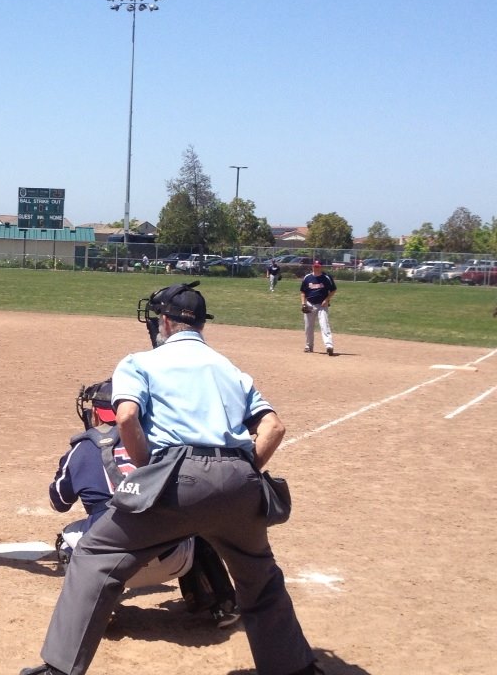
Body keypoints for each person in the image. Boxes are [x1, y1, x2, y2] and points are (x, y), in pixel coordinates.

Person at [20, 282, 320, 675]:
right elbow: (274, 428)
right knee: (260, 578)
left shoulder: (140, 362)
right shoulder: (230, 368)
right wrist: (245, 473)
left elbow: (125, 417)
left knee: (95, 555)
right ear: (199, 324)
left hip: (177, 477)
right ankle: (297, 669)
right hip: (240, 479)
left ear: (164, 321)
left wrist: (149, 472)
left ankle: (60, 668)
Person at [50, 378, 240, 628]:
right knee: (195, 518)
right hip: (172, 561)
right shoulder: (161, 442)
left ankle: (97, 609)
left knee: (67, 540)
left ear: (95, 413)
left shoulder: (80, 450)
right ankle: (221, 605)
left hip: (108, 565)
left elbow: (59, 502)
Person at [300, 260, 337, 356]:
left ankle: (329, 346)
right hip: (309, 304)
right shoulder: (307, 278)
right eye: (315, 266)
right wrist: (303, 304)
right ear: (312, 267)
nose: (316, 268)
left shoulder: (326, 277)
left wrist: (327, 299)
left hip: (322, 305)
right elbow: (303, 292)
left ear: (321, 267)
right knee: (308, 327)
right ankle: (309, 346)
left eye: (318, 266)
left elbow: (333, 290)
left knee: (324, 325)